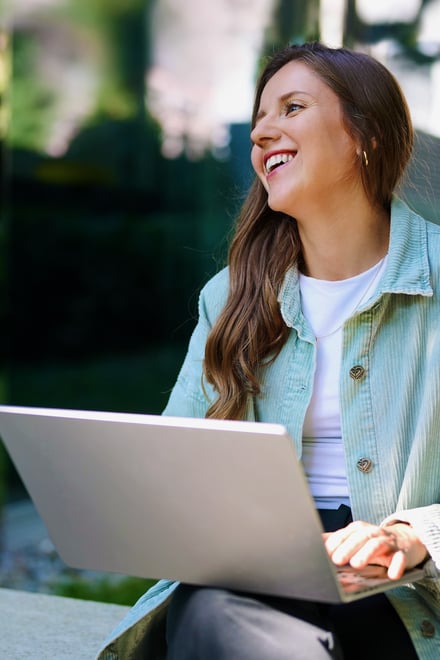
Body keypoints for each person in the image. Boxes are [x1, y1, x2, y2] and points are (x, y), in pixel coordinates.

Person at [98, 42, 440, 659]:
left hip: (403, 587)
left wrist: (415, 535)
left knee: (221, 618)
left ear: (365, 134)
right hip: (257, 567)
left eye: (292, 107)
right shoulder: (230, 295)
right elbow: (180, 450)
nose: (263, 131)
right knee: (219, 605)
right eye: (259, 117)